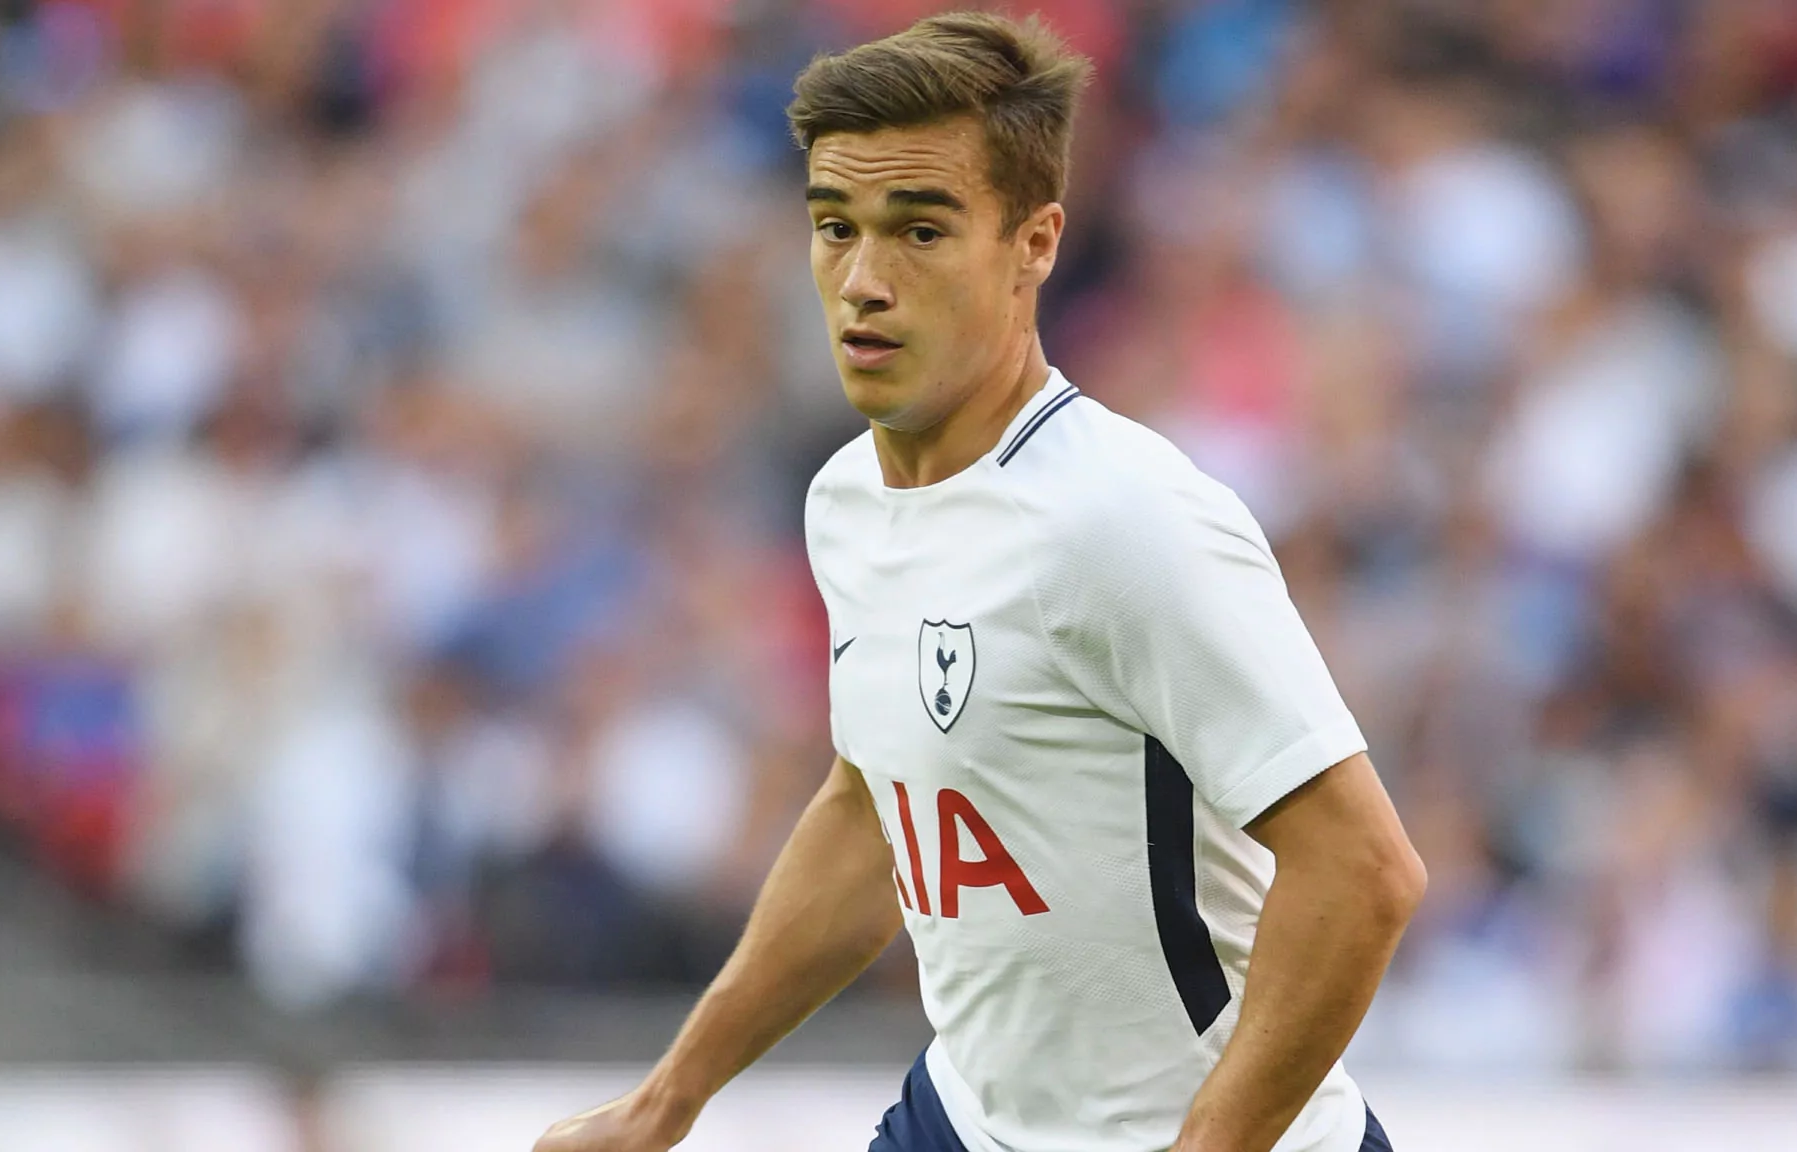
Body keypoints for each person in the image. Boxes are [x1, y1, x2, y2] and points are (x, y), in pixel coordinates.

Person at [533, 12, 1424, 1152]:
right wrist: (666, 1101)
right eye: (834, 227)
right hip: (963, 1120)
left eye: (920, 230)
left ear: (1034, 243)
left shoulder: (1123, 520)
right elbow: (877, 807)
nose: (863, 281)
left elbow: (1363, 870)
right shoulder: (846, 500)